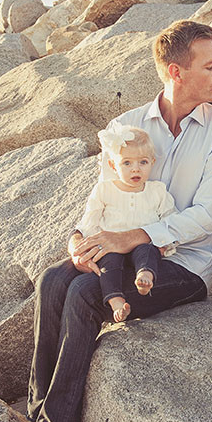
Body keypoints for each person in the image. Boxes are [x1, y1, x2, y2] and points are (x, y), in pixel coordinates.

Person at [0, 20, 212, 422]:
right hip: (116, 252)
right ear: (175, 72)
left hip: (184, 267)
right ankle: (40, 415)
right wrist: (79, 241)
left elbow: (207, 216)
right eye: (211, 65)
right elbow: (102, 199)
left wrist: (134, 237)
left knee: (86, 295)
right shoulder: (125, 127)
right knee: (54, 279)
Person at [78, 122, 177, 323]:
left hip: (141, 245)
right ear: (113, 165)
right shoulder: (104, 190)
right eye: (127, 163)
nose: (135, 169)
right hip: (110, 246)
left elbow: (171, 220)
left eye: (143, 162)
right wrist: (84, 246)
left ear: (152, 162)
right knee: (109, 265)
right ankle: (116, 302)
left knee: (148, 251)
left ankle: (145, 277)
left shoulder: (157, 191)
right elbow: (91, 219)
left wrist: (166, 245)